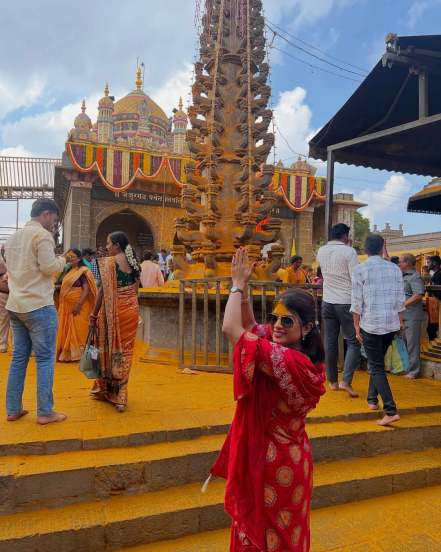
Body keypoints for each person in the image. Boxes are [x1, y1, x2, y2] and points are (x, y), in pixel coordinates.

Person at [210, 248, 325, 552]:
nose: (276, 325)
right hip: (295, 458)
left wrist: (235, 285)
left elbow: (232, 329)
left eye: (287, 322)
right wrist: (245, 292)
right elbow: (251, 329)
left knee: (264, 535)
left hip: (271, 465)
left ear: (307, 327)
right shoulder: (307, 359)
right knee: (287, 536)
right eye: (276, 317)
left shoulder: (286, 361)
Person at [5, 198, 67, 425]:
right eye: (54, 218)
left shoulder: (12, 239)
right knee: (45, 358)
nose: (54, 223)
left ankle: (13, 409)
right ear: (47, 214)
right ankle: (45, 412)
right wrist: (62, 260)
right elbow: (49, 267)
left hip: (15, 305)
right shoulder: (42, 235)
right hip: (39, 305)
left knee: (19, 358)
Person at [351, 235, 405, 426]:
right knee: (377, 364)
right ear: (383, 248)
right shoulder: (395, 269)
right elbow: (400, 300)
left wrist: (356, 327)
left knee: (375, 366)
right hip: (391, 324)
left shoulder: (360, 269)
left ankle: (390, 409)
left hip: (371, 325)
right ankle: (372, 399)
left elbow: (357, 303)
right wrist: (400, 323)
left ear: (365, 250)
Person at [90, 231, 140, 412]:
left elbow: (103, 291)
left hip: (114, 311)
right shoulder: (134, 262)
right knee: (125, 352)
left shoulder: (110, 263)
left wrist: (94, 315)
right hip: (131, 311)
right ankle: (120, 396)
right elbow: (135, 289)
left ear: (117, 245)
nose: (106, 247)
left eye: (108, 243)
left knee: (109, 349)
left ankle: (106, 389)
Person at [316, 223, 361, 397]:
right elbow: (356, 279)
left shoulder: (321, 251)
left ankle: (332, 381)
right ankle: (346, 381)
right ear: (345, 236)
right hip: (346, 301)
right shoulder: (349, 252)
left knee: (330, 341)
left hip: (327, 301)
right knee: (354, 341)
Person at [56, 249, 97, 362]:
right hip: (67, 306)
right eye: (69, 256)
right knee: (68, 329)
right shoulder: (70, 270)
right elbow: (69, 285)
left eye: (73, 256)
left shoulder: (82, 270)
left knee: (80, 330)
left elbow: (86, 289)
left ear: (79, 258)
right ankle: (69, 354)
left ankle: (84, 356)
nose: (70, 258)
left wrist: (79, 304)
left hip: (79, 306)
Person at [398, 254, 425, 379]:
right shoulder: (401, 276)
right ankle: (407, 368)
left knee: (412, 344)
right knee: (404, 343)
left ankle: (414, 371)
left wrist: (403, 304)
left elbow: (418, 294)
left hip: (412, 315)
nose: (399, 264)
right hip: (403, 315)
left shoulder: (415, 277)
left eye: (401, 262)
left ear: (407, 263)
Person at [0, 257, 10, 352]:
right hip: (3, 293)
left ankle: (3, 345)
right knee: (4, 320)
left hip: (13, 293)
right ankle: (2, 344)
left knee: (16, 322)